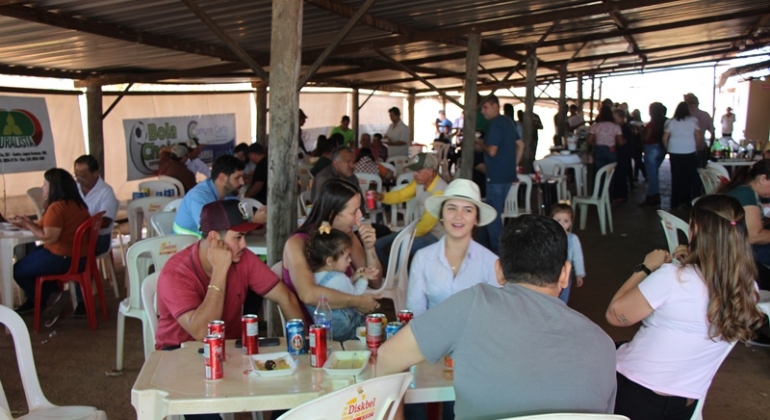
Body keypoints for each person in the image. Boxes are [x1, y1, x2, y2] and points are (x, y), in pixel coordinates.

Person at [377, 215, 617, 420]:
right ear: (565, 273)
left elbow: (388, 357)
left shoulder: (472, 305)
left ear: (499, 271)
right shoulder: (604, 344)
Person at [606, 195, 763, 420]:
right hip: (685, 404)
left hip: (636, 394)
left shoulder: (672, 278)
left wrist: (646, 267)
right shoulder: (748, 290)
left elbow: (615, 314)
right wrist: (690, 262)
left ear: (695, 230)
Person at [156, 200, 303, 350]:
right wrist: (220, 271)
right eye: (238, 238)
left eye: (245, 236)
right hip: (178, 353)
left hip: (229, 350)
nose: (244, 245)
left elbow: (286, 297)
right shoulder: (176, 273)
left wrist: (301, 344)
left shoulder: (243, 257)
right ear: (214, 238)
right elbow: (203, 333)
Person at [282, 179, 383, 326]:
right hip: (315, 331)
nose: (360, 216)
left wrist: (369, 248)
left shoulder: (346, 236)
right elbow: (308, 294)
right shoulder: (297, 243)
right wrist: (358, 301)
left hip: (348, 323)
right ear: (332, 215)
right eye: (354, 211)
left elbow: (375, 282)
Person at [11, 168, 91, 326]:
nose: (42, 188)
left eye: (45, 184)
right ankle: (54, 297)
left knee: (18, 270)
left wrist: (27, 224)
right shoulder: (77, 205)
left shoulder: (57, 207)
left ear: (54, 187)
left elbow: (49, 236)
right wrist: (27, 224)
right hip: (79, 258)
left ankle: (49, 303)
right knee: (33, 255)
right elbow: (47, 228)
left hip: (62, 258)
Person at [407, 179, 499, 316]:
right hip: (430, 334)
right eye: (452, 208)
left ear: (476, 219)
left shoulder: (490, 263)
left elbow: (495, 315)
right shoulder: (422, 258)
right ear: (442, 215)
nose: (458, 216)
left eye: (467, 210)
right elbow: (415, 312)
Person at [302, 221, 379, 341]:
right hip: (346, 331)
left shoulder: (314, 276)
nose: (349, 261)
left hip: (325, 331)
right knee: (373, 325)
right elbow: (356, 296)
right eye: (347, 257)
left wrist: (353, 278)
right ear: (330, 261)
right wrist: (364, 278)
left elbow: (339, 290)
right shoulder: (339, 279)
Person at [373, 153, 447, 267]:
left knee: (398, 248)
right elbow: (401, 195)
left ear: (431, 171)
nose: (414, 174)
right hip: (420, 229)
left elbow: (426, 225)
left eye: (419, 171)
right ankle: (392, 275)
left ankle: (400, 276)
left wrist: (404, 235)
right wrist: (382, 197)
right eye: (414, 171)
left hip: (437, 235)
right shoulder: (419, 182)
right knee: (379, 245)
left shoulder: (439, 191)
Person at [173, 154, 267, 237]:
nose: (242, 182)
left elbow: (239, 228)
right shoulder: (199, 197)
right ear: (222, 178)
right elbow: (214, 235)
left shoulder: (230, 195)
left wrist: (260, 223)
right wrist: (254, 222)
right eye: (237, 177)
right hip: (187, 249)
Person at [477, 94, 523, 255]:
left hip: (495, 176)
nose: (483, 111)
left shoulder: (496, 123)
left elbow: (492, 150)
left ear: (495, 106)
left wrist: (479, 143)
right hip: (507, 175)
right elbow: (521, 144)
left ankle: (498, 252)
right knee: (491, 212)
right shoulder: (508, 121)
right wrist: (514, 166)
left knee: (492, 215)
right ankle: (484, 247)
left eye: (485, 107)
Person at [73, 154, 119, 316]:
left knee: (81, 255)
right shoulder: (73, 188)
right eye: (76, 175)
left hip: (99, 239)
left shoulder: (106, 192)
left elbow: (106, 221)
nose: (79, 179)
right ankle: (54, 294)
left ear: (96, 173)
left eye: (83, 176)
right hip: (76, 237)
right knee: (58, 252)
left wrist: (83, 224)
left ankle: (82, 301)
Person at [663, 101, 702, 210]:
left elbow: (665, 138)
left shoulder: (670, 122)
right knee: (687, 177)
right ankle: (685, 200)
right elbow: (698, 137)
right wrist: (697, 147)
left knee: (676, 177)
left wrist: (668, 148)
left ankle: (674, 202)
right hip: (689, 150)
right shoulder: (694, 121)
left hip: (674, 150)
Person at [310, 146, 366, 212]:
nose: (352, 166)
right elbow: (321, 209)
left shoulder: (352, 177)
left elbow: (361, 203)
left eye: (353, 162)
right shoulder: (324, 179)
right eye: (348, 162)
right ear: (335, 163)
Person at [550, 204, 585, 304]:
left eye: (566, 221)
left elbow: (578, 257)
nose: (562, 224)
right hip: (549, 273)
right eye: (558, 220)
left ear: (571, 221)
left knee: (564, 297)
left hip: (566, 274)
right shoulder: (548, 237)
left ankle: (562, 311)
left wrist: (579, 274)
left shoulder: (573, 239)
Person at [642, 102, 668, 207]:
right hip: (662, 148)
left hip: (651, 148)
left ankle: (652, 196)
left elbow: (646, 138)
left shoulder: (651, 124)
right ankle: (655, 196)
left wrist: (641, 133)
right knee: (654, 173)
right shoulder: (667, 122)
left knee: (652, 175)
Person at [588, 105, 623, 176]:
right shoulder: (616, 126)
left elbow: (589, 140)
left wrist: (595, 143)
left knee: (599, 173)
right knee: (610, 175)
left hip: (599, 150)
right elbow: (621, 142)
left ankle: (599, 186)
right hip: (611, 150)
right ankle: (609, 187)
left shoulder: (595, 126)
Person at [684, 93, 715, 166]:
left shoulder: (684, 116)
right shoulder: (705, 115)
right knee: (698, 169)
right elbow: (712, 133)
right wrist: (711, 146)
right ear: (697, 103)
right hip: (700, 146)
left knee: (684, 170)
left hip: (685, 147)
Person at [612, 108, 632, 203]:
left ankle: (622, 195)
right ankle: (618, 194)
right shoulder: (620, 127)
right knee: (618, 174)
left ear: (621, 117)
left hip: (623, 153)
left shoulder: (625, 128)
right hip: (620, 153)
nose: (614, 120)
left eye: (615, 118)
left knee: (621, 174)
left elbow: (623, 142)